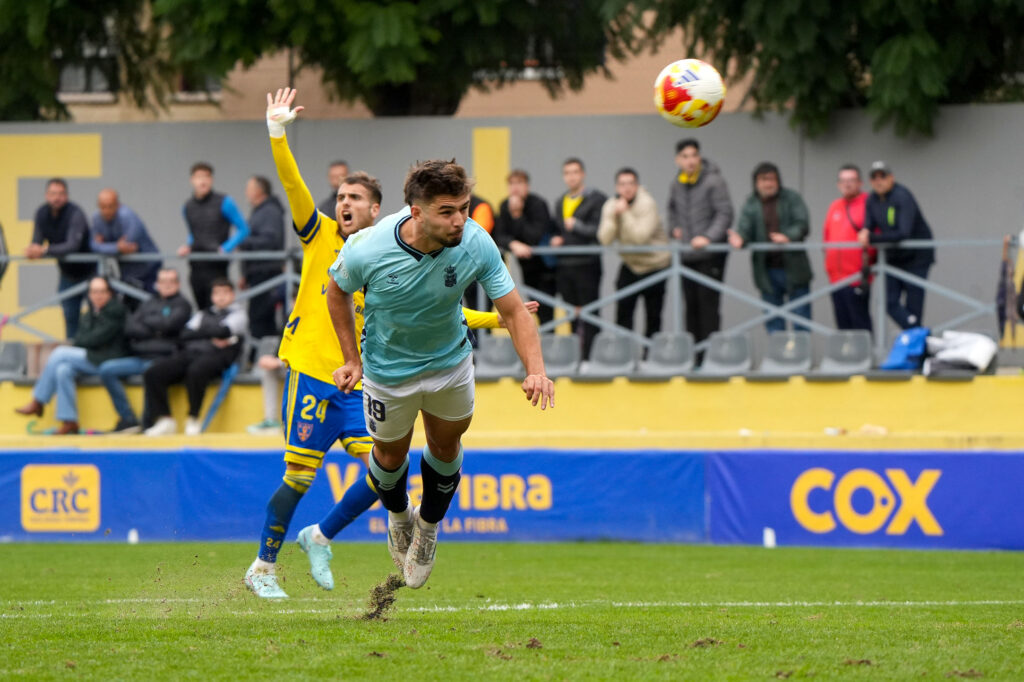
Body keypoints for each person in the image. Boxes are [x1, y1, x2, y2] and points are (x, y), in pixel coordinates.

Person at [244, 88, 515, 599]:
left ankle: (320, 536)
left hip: (367, 377)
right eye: (340, 197)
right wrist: (277, 132)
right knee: (299, 475)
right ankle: (263, 566)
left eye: (354, 198)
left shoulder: (388, 250)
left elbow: (440, 311)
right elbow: (293, 185)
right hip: (314, 372)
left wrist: (498, 319)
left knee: (383, 468)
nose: (342, 204)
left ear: (378, 210)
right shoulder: (321, 236)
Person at [327, 155, 554, 591]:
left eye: (464, 208)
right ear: (416, 212)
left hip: (450, 364)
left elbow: (514, 311)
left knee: (445, 447)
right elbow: (336, 291)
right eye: (447, 211)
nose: (459, 220)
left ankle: (428, 529)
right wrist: (351, 359)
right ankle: (399, 516)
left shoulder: (476, 242)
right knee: (389, 456)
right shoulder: (369, 247)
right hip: (388, 372)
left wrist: (536, 370)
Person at [15, 276, 128, 434]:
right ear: (89, 294)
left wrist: (86, 340)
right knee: (63, 370)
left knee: (60, 353)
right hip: (92, 358)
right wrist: (86, 340)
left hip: (108, 361)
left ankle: (38, 400)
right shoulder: (89, 313)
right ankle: (69, 421)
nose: (98, 295)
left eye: (102, 291)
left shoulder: (115, 310)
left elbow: (95, 339)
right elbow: (81, 339)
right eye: (95, 292)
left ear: (110, 293)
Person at [142, 278, 247, 437]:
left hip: (219, 356)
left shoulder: (239, 314)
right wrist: (211, 335)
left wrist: (201, 333)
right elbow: (185, 334)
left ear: (233, 294)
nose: (221, 297)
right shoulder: (203, 313)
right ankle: (165, 419)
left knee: (196, 371)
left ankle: (193, 417)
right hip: (192, 352)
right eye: (217, 293)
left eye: (225, 293)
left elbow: (223, 331)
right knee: (154, 372)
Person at [98, 268, 192, 433]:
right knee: (107, 369)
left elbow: (169, 324)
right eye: (163, 281)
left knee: (152, 373)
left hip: (164, 357)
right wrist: (158, 329)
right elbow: (130, 327)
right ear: (157, 284)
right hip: (140, 356)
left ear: (178, 284)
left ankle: (147, 422)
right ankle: (128, 418)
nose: (167, 285)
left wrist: (148, 323)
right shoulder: (149, 302)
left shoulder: (183, 304)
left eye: (171, 281)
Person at [667, 139, 733, 353]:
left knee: (708, 306)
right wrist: (674, 228)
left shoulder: (714, 181)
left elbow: (725, 213)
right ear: (678, 160)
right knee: (691, 307)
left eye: (694, 155)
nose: (691, 161)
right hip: (687, 256)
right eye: (685, 156)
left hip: (710, 255)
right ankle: (695, 356)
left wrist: (708, 238)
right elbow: (671, 210)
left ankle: (711, 356)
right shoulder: (677, 183)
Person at [730, 162, 812, 333]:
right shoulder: (751, 203)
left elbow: (802, 223)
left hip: (794, 267)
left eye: (772, 179)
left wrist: (788, 236)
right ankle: (779, 350)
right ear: (756, 183)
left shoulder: (791, 198)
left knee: (801, 317)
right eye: (763, 179)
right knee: (773, 319)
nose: (768, 183)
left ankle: (800, 350)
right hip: (766, 271)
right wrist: (740, 238)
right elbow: (745, 228)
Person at [859, 161, 935, 329]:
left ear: (891, 178)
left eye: (883, 176)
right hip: (894, 257)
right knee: (889, 302)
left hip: (917, 257)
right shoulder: (872, 199)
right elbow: (868, 227)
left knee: (914, 306)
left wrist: (871, 238)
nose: (878, 181)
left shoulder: (902, 196)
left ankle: (918, 338)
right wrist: (865, 233)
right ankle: (919, 334)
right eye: (874, 177)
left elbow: (903, 233)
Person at [597, 168, 671, 337]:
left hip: (656, 265)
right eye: (622, 184)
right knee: (623, 313)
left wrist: (625, 213)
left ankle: (650, 351)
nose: (627, 188)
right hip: (631, 265)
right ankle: (624, 351)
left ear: (637, 186)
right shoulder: (611, 205)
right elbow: (604, 239)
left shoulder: (647, 203)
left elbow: (640, 239)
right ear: (616, 187)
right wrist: (614, 217)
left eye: (631, 183)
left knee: (653, 316)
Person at [550, 158, 606, 359]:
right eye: (567, 173)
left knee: (590, 313)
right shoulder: (560, 201)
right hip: (565, 265)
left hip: (587, 264)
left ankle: (591, 357)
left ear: (583, 174)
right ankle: (576, 356)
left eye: (575, 172)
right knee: (571, 313)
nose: (571, 177)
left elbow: (600, 231)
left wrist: (577, 226)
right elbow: (558, 230)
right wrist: (556, 239)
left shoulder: (597, 199)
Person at [25, 179, 95, 339]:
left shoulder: (75, 213)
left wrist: (44, 250)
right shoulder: (41, 213)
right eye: (53, 193)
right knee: (70, 317)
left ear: (67, 195)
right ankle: (72, 349)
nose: (56, 198)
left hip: (92, 273)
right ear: (46, 195)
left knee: (96, 317)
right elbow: (37, 241)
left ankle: (95, 351)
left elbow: (72, 246)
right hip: (67, 275)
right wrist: (32, 250)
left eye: (60, 194)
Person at [177, 162, 250, 310]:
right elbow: (193, 232)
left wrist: (226, 248)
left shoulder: (225, 202)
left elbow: (243, 229)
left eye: (206, 177)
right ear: (192, 180)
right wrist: (188, 246)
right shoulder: (187, 206)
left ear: (212, 180)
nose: (203, 181)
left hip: (217, 266)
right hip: (196, 265)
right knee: (202, 309)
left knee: (218, 308)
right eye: (199, 177)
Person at [493, 169, 557, 325]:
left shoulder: (538, 204)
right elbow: (499, 236)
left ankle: (549, 339)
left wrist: (517, 215)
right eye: (511, 184)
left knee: (547, 311)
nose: (515, 188)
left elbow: (534, 237)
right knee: (533, 308)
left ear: (527, 186)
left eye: (519, 183)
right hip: (526, 266)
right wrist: (513, 244)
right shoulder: (505, 205)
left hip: (546, 267)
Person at [823, 164, 873, 331]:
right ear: (838, 184)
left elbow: (875, 235)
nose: (847, 184)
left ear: (860, 183)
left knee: (860, 323)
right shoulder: (835, 206)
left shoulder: (868, 203)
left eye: (851, 180)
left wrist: (867, 266)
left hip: (857, 277)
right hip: (835, 277)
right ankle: (847, 351)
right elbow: (827, 236)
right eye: (843, 181)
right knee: (842, 325)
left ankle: (867, 350)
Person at [90, 189, 161, 301]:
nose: (107, 211)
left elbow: (128, 245)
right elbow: (94, 246)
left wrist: (105, 246)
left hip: (149, 268)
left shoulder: (127, 216)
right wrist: (116, 247)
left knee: (153, 303)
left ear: (118, 204)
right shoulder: (96, 218)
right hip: (126, 273)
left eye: (110, 206)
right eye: (103, 207)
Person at [241, 175, 286, 340]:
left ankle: (266, 353)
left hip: (266, 273)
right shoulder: (259, 212)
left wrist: (243, 241)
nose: (246, 192)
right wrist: (246, 274)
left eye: (249, 188)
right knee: (258, 318)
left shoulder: (269, 212)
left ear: (259, 191)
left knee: (261, 319)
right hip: (257, 273)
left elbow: (271, 240)